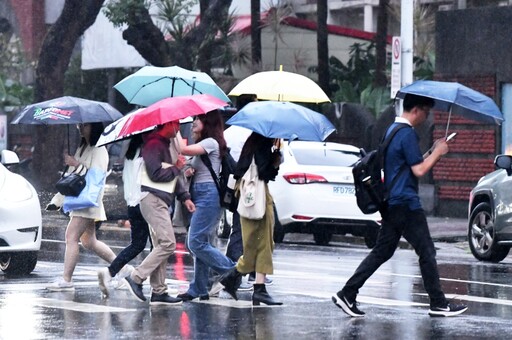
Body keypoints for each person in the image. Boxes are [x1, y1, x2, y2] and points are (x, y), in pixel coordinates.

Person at [332, 94, 468, 317]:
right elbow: (420, 170)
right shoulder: (407, 134)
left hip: (392, 202)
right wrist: (439, 152)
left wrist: (432, 151)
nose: (426, 117)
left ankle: (347, 293)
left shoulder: (392, 130)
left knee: (382, 251)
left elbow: (409, 164)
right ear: (416, 110)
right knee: (426, 251)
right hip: (406, 204)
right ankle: (438, 303)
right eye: (426, 112)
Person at [123, 120, 195, 305]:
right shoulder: (153, 144)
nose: (178, 128)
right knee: (168, 243)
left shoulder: (168, 144)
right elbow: (156, 174)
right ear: (167, 124)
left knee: (160, 244)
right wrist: (177, 166)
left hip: (162, 199)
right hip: (152, 198)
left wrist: (185, 196)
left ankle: (159, 290)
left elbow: (174, 176)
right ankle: (136, 277)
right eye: (176, 124)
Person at [46, 122, 123, 291]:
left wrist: (76, 164)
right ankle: (123, 270)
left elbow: (95, 177)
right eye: (79, 125)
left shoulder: (99, 149)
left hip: (87, 202)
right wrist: (57, 200)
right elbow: (74, 178)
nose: (80, 127)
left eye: (85, 125)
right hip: (80, 201)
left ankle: (67, 280)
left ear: (94, 127)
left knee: (71, 237)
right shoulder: (83, 147)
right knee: (89, 241)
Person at [176, 110, 237, 301]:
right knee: (201, 241)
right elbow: (188, 162)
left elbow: (183, 150)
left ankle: (233, 271)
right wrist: (188, 169)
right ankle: (199, 288)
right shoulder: (203, 144)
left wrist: (175, 125)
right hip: (200, 195)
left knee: (195, 242)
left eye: (198, 119)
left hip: (209, 196)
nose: (193, 122)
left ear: (208, 123)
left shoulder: (211, 143)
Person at [220, 132, 283, 305]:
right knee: (263, 242)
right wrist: (275, 161)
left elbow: (243, 169)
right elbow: (264, 172)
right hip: (258, 196)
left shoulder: (252, 143)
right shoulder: (263, 145)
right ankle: (251, 285)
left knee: (256, 244)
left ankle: (240, 280)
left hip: (248, 195)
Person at [97, 135, 151, 297]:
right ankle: (150, 284)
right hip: (145, 202)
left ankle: (110, 272)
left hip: (132, 203)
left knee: (137, 244)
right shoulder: (147, 153)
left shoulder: (130, 153)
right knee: (160, 245)